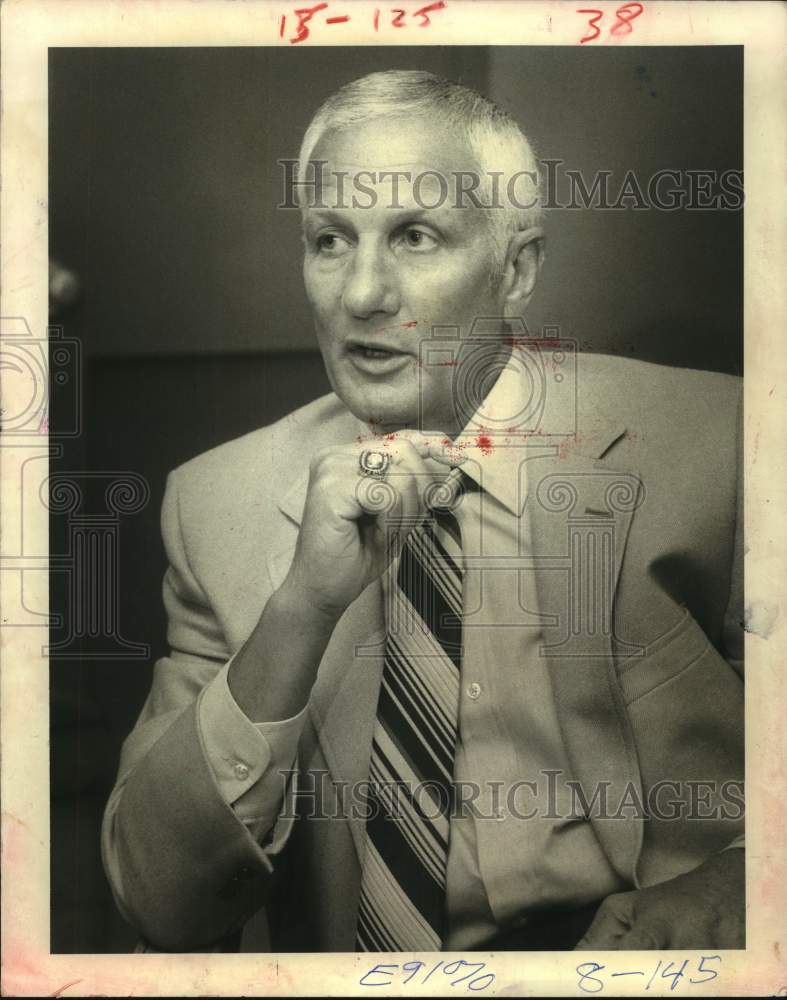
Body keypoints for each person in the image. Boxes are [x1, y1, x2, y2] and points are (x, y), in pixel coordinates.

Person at [101, 70, 744, 953]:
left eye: (414, 236)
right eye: (330, 240)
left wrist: (742, 875)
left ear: (514, 270)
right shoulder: (216, 501)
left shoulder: (721, 444)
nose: (361, 293)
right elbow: (155, 898)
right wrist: (302, 608)